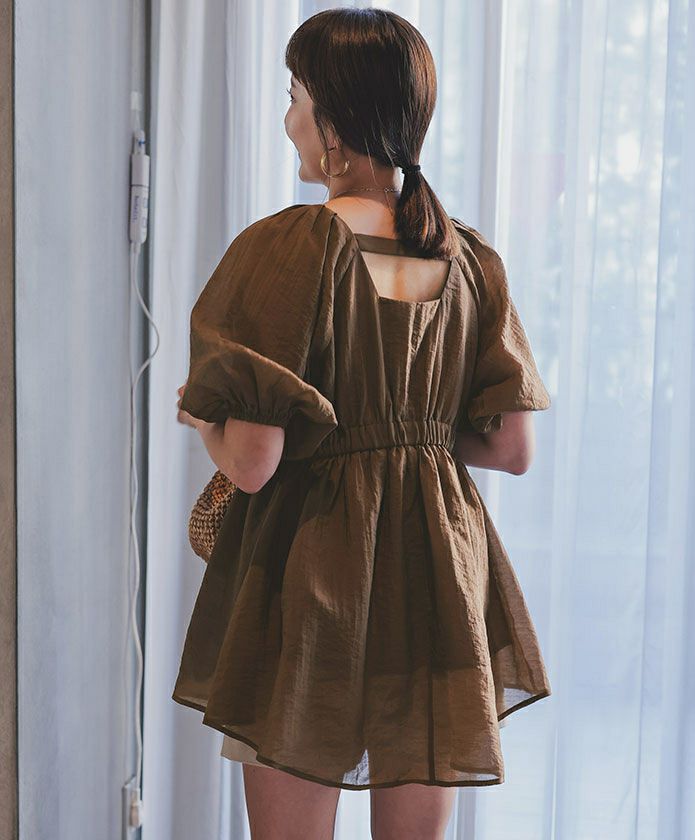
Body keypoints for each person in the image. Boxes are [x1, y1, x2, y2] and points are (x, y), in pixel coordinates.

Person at [173, 8, 552, 839]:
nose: (288, 120)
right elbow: (511, 446)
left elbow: (253, 461)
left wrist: (201, 416)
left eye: (295, 98)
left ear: (334, 123)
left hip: (312, 568)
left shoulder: (290, 246)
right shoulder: (468, 259)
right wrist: (411, 432)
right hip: (438, 575)